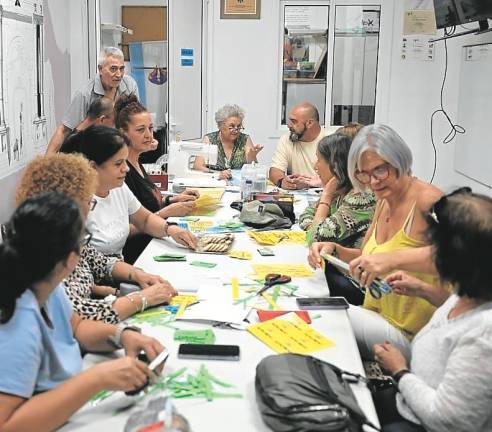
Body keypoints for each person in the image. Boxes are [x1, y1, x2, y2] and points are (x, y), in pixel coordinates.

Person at [0, 192, 165, 431]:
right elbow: (7, 425)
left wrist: (123, 335)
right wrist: (97, 379)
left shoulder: (46, 286)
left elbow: (76, 326)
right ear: (70, 259)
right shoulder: (18, 321)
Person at [308, 124, 443, 361]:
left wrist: (391, 260)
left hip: (411, 337)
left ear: (400, 161)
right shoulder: (384, 199)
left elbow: (464, 258)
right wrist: (335, 250)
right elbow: (366, 254)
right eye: (363, 174)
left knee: (321, 316)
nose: (373, 181)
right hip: (376, 317)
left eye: (380, 170)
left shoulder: (429, 201)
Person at [373, 188, 492, 432]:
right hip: (410, 400)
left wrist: (399, 371)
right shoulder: (473, 289)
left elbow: (448, 420)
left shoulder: (485, 334)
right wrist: (422, 289)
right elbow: (458, 314)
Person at [15, 153, 177, 323]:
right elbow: (80, 316)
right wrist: (142, 299)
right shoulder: (42, 257)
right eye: (88, 200)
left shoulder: (65, 237)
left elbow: (101, 262)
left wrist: (138, 275)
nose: (91, 206)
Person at [60, 125, 197, 261]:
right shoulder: (79, 204)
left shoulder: (118, 187)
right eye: (118, 163)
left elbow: (145, 220)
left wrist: (171, 230)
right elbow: (90, 265)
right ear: (93, 167)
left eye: (125, 161)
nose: (126, 169)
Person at [114, 94, 200, 262]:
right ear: (123, 133)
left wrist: (173, 200)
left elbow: (147, 202)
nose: (149, 135)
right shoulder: (123, 174)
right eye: (140, 130)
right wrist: (164, 213)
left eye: (150, 128)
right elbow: (124, 230)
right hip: (139, 254)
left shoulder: (137, 165)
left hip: (154, 243)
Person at [299, 132, 376, 304]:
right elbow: (305, 216)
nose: (315, 165)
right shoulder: (342, 191)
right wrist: (318, 222)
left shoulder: (361, 198)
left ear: (334, 165)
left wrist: (326, 196)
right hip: (339, 270)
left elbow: (314, 238)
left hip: (356, 285)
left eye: (319, 160)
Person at [46, 47, 139, 154]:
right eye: (113, 69)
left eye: (121, 69)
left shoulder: (130, 85)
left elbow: (135, 119)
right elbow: (64, 130)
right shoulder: (85, 94)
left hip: (122, 148)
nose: (119, 74)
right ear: (100, 69)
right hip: (93, 150)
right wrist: (46, 165)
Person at [269, 102, 330, 190]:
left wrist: (310, 184)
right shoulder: (286, 139)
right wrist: (282, 182)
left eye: (294, 122)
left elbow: (340, 178)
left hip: (326, 193)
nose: (289, 125)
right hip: (298, 196)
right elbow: (275, 170)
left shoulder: (331, 140)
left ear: (309, 123)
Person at [193, 104, 263, 180]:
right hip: (215, 183)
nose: (236, 130)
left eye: (239, 126)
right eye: (231, 126)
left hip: (238, 186)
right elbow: (197, 167)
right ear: (220, 126)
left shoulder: (245, 139)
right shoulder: (209, 139)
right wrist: (218, 174)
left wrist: (252, 156)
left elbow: (254, 170)